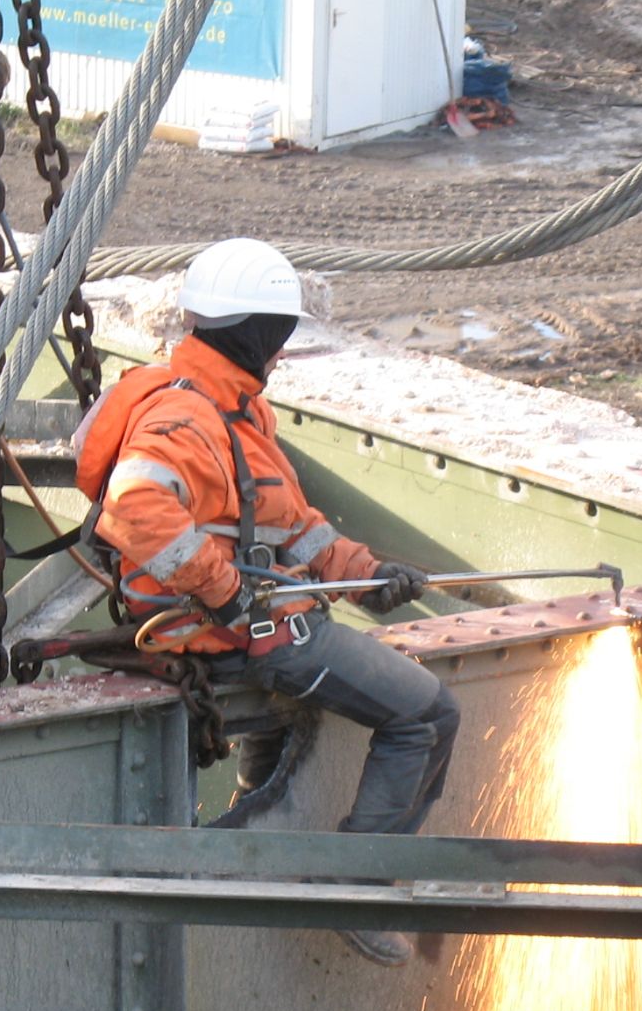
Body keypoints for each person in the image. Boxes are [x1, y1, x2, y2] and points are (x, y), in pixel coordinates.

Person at [78, 239, 460, 967]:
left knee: (328, 713)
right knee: (426, 714)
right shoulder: (188, 420)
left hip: (248, 620)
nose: (282, 354)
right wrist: (227, 595)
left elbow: (292, 526)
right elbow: (133, 507)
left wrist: (368, 576)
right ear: (253, 334)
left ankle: (262, 816)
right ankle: (358, 885)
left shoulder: (231, 409)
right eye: (278, 337)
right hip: (241, 632)